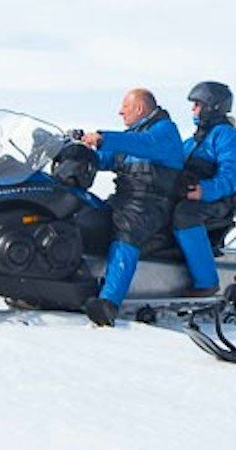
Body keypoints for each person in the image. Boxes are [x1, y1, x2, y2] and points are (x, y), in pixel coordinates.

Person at [79, 88, 184, 327]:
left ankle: (108, 303)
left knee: (126, 231)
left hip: (151, 204)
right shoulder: (132, 135)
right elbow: (108, 158)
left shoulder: (164, 132)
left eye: (124, 107)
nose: (120, 112)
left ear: (139, 108)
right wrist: (81, 150)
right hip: (124, 198)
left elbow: (145, 145)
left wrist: (103, 137)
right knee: (86, 213)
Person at [172, 81, 236, 295]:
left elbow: (231, 177)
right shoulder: (193, 141)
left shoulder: (227, 137)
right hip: (192, 196)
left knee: (184, 215)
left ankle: (206, 282)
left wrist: (203, 190)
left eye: (197, 104)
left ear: (212, 106)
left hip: (216, 201)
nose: (193, 110)